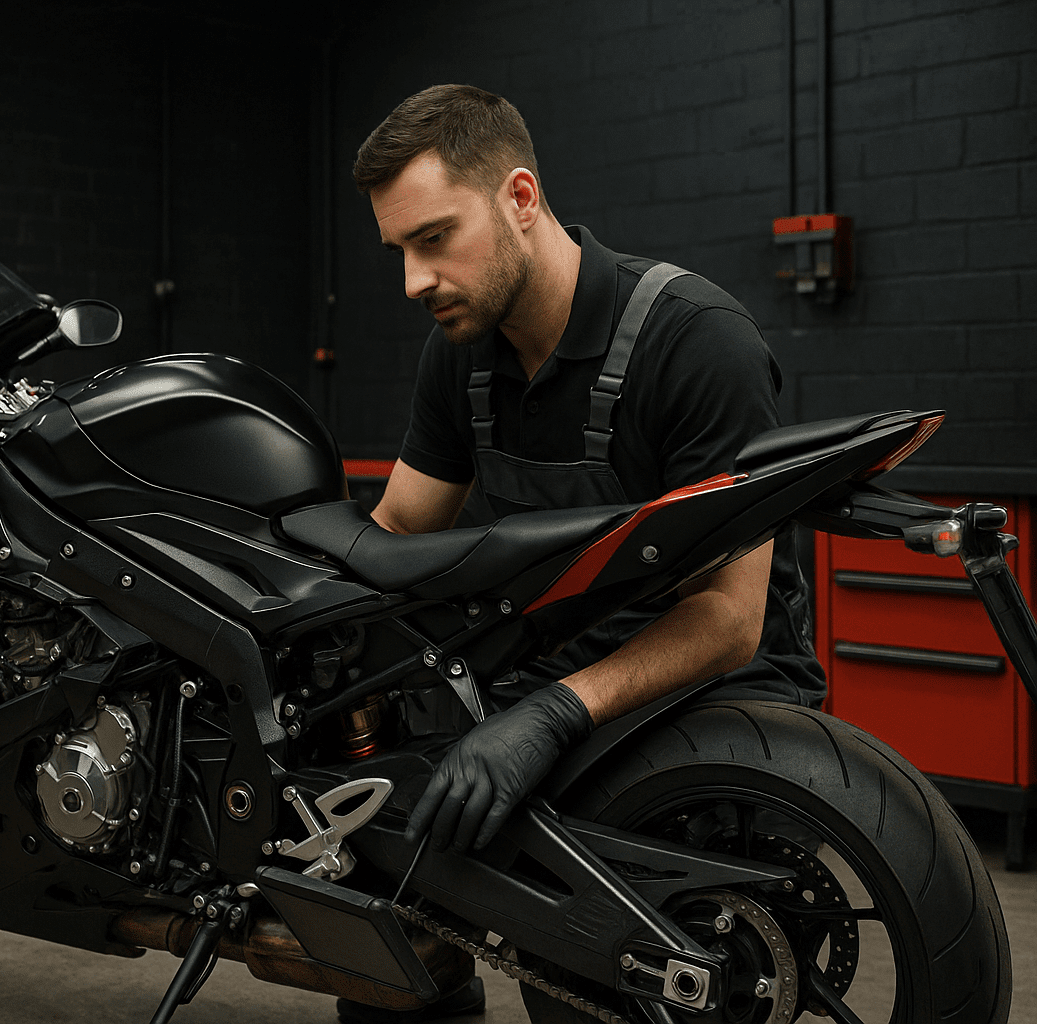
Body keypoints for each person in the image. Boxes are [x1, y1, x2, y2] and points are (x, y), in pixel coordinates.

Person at [335, 84, 825, 1023]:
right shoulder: (462, 354)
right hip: (559, 675)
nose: (412, 281)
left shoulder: (696, 343)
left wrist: (551, 716)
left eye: (433, 238)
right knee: (371, 866)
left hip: (715, 696)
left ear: (520, 198)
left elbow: (730, 617)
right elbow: (396, 538)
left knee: (600, 981)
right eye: (398, 251)